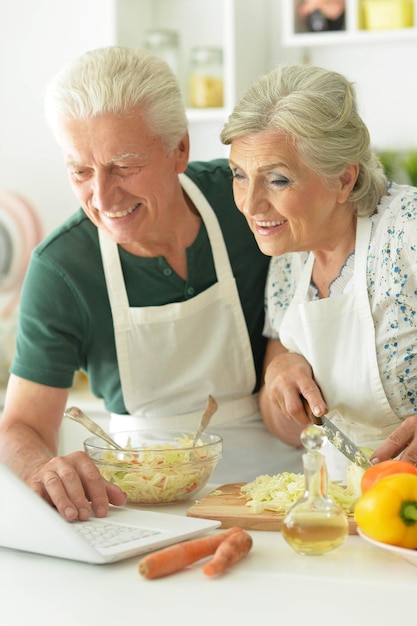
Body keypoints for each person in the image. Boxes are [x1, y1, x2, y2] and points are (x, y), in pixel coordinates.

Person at [0, 46, 303, 521]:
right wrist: (44, 467)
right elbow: (20, 426)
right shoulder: (61, 269)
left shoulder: (244, 202)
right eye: (80, 171)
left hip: (280, 487)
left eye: (124, 166)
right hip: (143, 502)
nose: (102, 196)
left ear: (179, 149)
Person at [220, 64, 417, 481]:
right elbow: (286, 428)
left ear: (344, 179)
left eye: (277, 179)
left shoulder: (408, 231)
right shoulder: (289, 257)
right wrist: (278, 376)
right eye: (239, 175)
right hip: (349, 509)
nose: (251, 205)